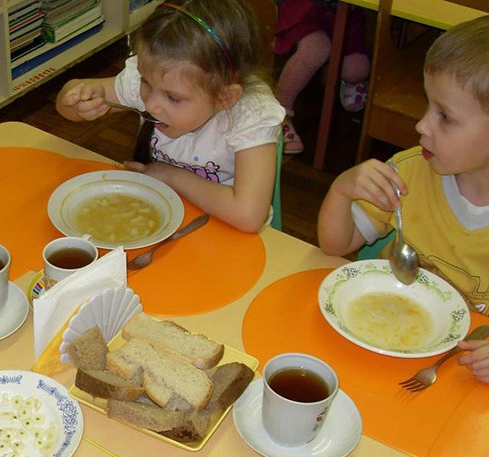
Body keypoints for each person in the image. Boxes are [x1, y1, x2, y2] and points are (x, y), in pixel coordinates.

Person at [317, 16, 489, 382]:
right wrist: (341, 190)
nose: (421, 125)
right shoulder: (409, 172)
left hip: (459, 369)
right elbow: (335, 245)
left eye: (445, 116)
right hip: (375, 342)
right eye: (428, 106)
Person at [55, 0, 285, 232]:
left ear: (225, 97)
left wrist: (171, 176)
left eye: (173, 98)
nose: (151, 105)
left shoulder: (249, 116)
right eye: (145, 82)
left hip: (227, 228)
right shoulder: (160, 78)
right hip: (165, 212)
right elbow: (67, 103)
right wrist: (78, 99)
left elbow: (248, 215)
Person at [274, 0, 370, 154]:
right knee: (316, 48)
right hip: (303, 8)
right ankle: (279, 114)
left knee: (357, 69)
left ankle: (351, 78)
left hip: (345, 11)